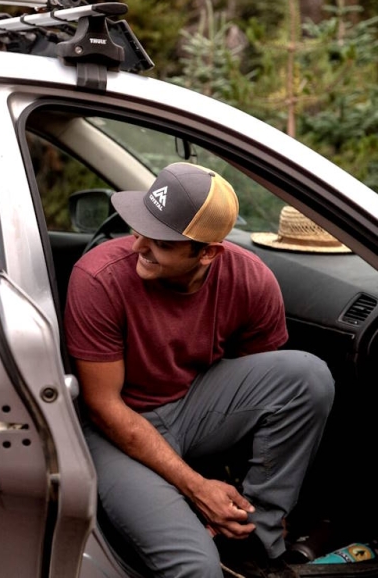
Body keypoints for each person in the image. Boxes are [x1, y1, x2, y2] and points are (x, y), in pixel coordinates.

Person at [64, 162, 335, 577]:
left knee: (307, 376)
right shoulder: (98, 277)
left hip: (194, 407)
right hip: (113, 429)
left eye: (160, 242)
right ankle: (207, 541)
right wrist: (196, 487)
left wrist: (241, 490)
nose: (137, 246)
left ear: (207, 252)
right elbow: (103, 406)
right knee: (194, 567)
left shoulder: (250, 281)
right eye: (139, 228)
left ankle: (251, 538)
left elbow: (261, 390)